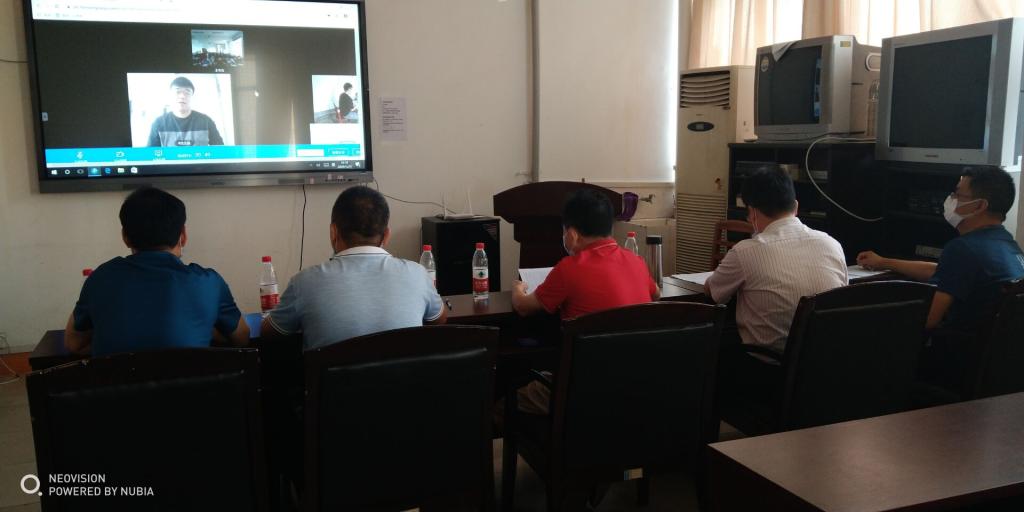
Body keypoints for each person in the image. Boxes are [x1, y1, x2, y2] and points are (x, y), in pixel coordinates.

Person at [509, 188, 659, 415]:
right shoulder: (636, 261)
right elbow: (656, 294)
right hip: (634, 386)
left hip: (581, 390)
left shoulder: (569, 268)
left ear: (571, 234)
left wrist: (517, 289)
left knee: (503, 405)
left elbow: (523, 307)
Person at [705, 167, 847, 406]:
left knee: (714, 350)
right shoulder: (832, 244)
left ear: (752, 212)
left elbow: (712, 292)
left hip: (769, 375)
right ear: (796, 206)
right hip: (825, 372)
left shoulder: (746, 251)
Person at [65, 187, 249, 356]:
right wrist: (207, 330)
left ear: (125, 237)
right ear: (183, 236)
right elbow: (241, 338)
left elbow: (74, 344)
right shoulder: (208, 282)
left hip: (117, 382)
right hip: (191, 383)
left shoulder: (100, 279)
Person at [261, 186, 446, 349]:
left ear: (333, 232)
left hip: (332, 380)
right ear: (386, 235)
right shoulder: (417, 274)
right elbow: (440, 319)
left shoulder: (304, 283)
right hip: (404, 379)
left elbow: (270, 333)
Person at [857, 166, 1024, 332]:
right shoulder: (1008, 245)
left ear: (979, 206)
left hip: (956, 346)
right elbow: (944, 271)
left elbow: (928, 319)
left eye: (957, 195)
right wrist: (884, 262)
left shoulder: (963, 249)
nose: (951, 199)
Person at [147, 76, 225, 147]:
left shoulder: (206, 121)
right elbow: (149, 154)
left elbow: (220, 151)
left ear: (192, 97)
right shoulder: (158, 123)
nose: (182, 96)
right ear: (170, 95)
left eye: (187, 93)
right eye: (177, 92)